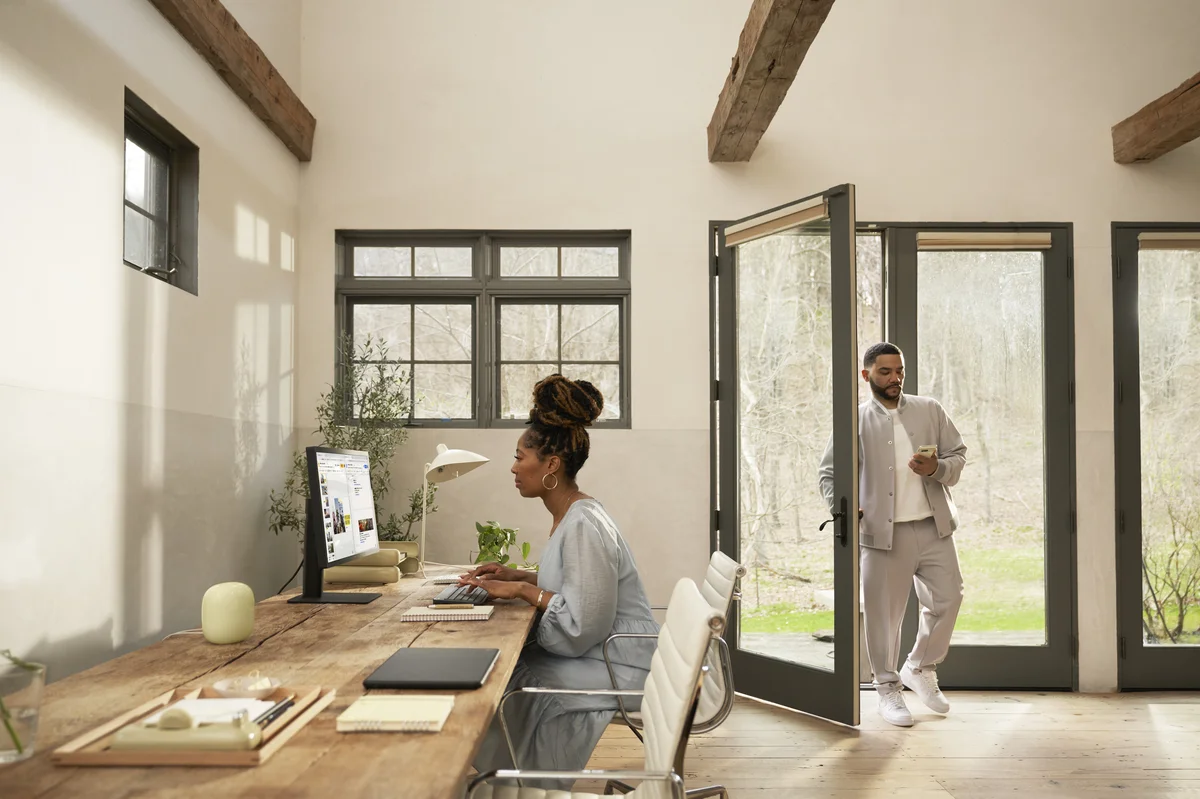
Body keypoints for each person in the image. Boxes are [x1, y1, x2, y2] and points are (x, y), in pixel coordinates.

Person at [464, 374, 658, 787]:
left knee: (514, 683)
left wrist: (522, 591)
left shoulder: (583, 524)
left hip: (617, 663)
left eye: (520, 457)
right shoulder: (573, 513)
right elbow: (582, 587)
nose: (513, 467)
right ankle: (510, 782)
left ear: (551, 464)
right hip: (606, 653)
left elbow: (582, 626)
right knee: (507, 672)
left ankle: (524, 786)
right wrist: (521, 575)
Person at [818, 342, 967, 728]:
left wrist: (936, 468)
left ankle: (919, 666)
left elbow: (958, 455)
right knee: (884, 618)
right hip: (883, 535)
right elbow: (830, 475)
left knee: (949, 599)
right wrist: (845, 509)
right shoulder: (854, 420)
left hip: (934, 527)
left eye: (899, 371)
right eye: (885, 372)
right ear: (866, 375)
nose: (895, 378)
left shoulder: (929, 409)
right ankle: (886, 688)